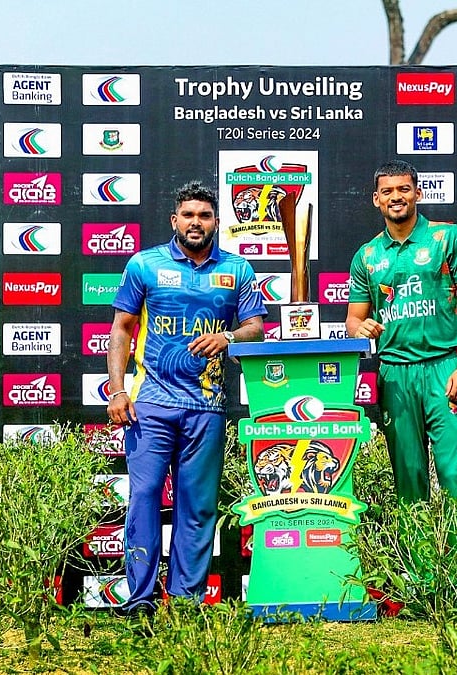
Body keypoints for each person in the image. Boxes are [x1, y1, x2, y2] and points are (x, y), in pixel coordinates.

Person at [106, 180, 266, 615]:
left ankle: (185, 603)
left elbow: (255, 328)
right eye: (189, 215)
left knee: (197, 509)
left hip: (207, 406)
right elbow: (121, 329)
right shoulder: (144, 264)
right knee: (144, 499)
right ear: (174, 220)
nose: (196, 222)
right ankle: (140, 599)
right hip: (151, 404)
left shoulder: (238, 269)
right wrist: (117, 390)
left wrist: (228, 336)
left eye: (205, 215)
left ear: (217, 222)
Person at [345, 160, 457, 504]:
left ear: (418, 193)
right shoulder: (366, 255)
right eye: (387, 191)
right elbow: (353, 319)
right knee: (408, 479)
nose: (396, 197)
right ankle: (416, 544)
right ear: (376, 199)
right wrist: (360, 327)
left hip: (445, 368)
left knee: (453, 473)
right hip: (395, 373)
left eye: (404, 189)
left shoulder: (445, 237)